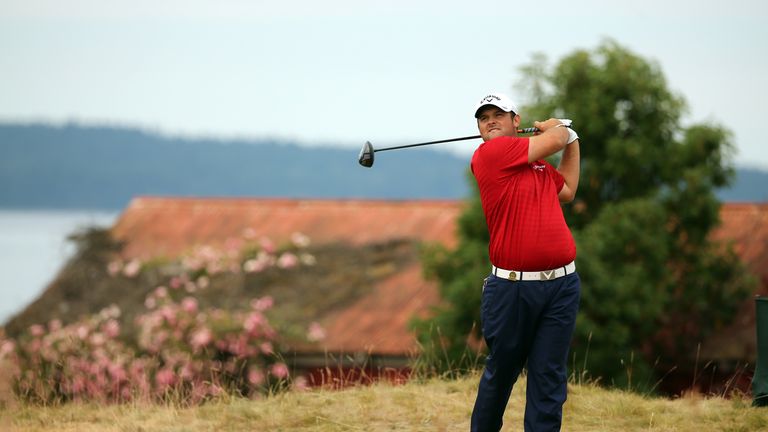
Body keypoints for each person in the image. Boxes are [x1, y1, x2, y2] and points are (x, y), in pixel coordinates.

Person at [469, 92, 581, 432]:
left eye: (499, 114)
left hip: (561, 286)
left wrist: (572, 142)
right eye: (483, 117)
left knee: (548, 377)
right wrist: (561, 129)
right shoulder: (490, 154)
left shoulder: (537, 167)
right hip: (512, 289)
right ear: (479, 130)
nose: (491, 120)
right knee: (502, 373)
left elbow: (568, 190)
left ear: (515, 121)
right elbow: (555, 137)